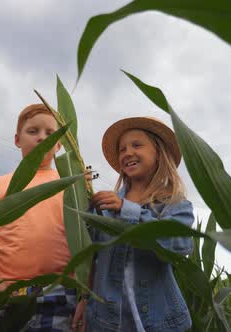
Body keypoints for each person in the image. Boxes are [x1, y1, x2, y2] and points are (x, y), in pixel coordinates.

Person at [72, 117, 194, 332]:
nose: (127, 152)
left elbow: (180, 246)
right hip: (105, 322)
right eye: (122, 149)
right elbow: (91, 258)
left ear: (158, 153)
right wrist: (84, 299)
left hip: (161, 323)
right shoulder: (105, 208)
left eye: (137, 145)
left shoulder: (175, 205)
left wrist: (128, 210)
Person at [0, 104, 76, 331]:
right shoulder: (0, 185)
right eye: (33, 131)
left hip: (58, 291)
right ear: (17, 139)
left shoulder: (71, 186)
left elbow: (83, 241)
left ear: (59, 144)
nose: (42, 138)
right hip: (6, 291)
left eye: (50, 133)